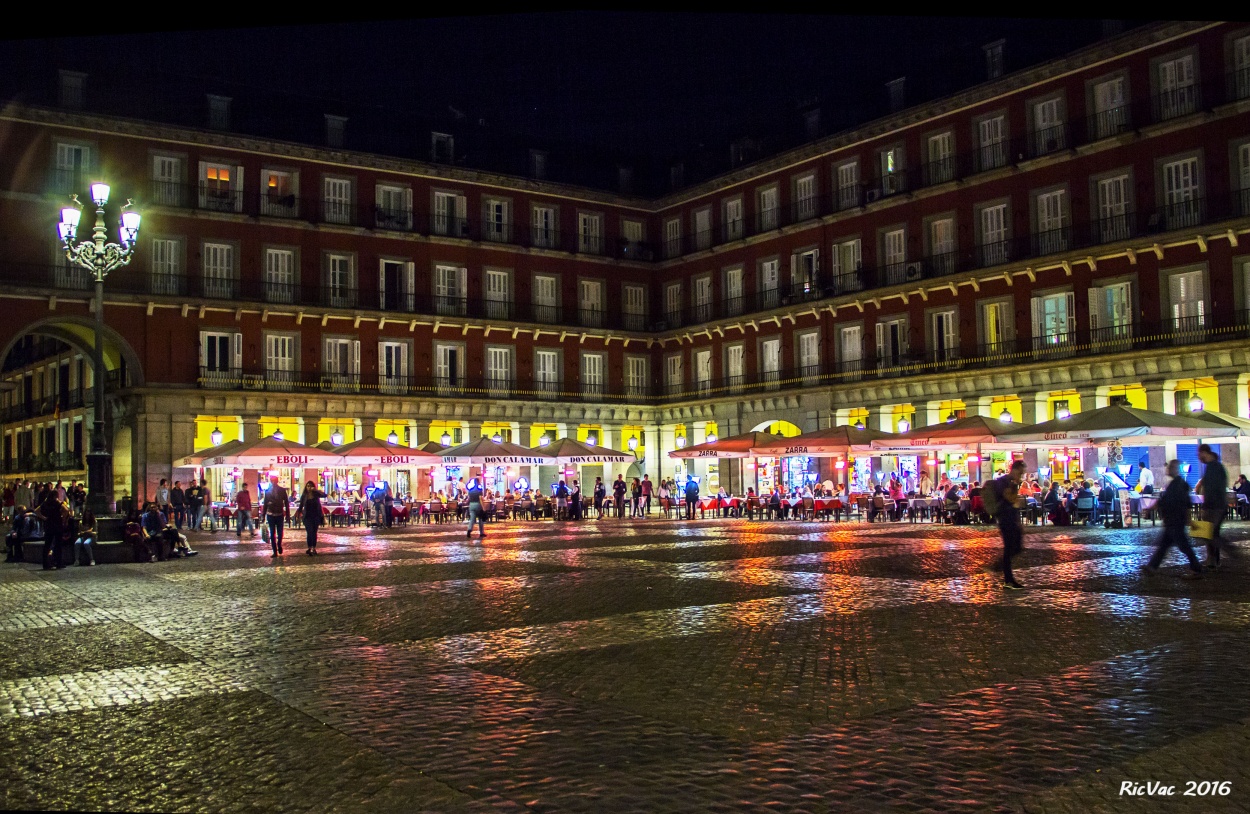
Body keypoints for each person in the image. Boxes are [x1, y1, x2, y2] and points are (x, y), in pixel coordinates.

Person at [1142, 459, 1203, 579]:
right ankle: (1152, 567)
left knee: (1184, 546)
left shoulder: (1179, 485)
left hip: (1176, 520)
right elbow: (1164, 501)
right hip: (1172, 520)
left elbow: (1185, 503)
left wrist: (1189, 520)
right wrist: (1151, 508)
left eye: (1170, 467)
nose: (1167, 470)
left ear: (1175, 469)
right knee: (1164, 545)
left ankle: (1197, 568)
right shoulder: (1175, 484)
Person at [1196, 443, 1236, 569]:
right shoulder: (1214, 467)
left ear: (1204, 452)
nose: (1198, 457)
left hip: (1214, 506)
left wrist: (1205, 507)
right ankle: (1213, 560)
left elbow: (1213, 489)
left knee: (1210, 533)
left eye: (1199, 454)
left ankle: (1229, 550)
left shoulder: (1213, 468)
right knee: (1212, 533)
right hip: (1217, 505)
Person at [991, 460, 1027, 590]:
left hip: (1011, 518)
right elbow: (1009, 498)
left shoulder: (1010, 482)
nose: (1021, 475)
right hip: (1005, 518)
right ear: (1016, 469)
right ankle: (1007, 578)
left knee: (1016, 547)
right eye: (1021, 472)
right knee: (1010, 547)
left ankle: (1001, 569)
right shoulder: (1005, 481)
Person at [35, 490, 68, 570]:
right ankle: (58, 562)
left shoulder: (45, 503)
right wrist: (63, 519)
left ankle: (45, 564)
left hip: (48, 524)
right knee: (58, 544)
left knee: (47, 544)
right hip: (57, 523)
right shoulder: (58, 502)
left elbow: (36, 511)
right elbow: (66, 510)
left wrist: (44, 518)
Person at [262, 477, 290, 556]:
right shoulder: (267, 491)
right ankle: (274, 551)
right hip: (271, 514)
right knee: (272, 533)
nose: (273, 482)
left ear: (277, 481)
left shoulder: (282, 490)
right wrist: (263, 515)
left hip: (279, 514)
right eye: (272, 481)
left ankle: (279, 544)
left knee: (280, 532)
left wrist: (287, 515)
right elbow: (265, 504)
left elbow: (286, 503)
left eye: (274, 481)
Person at [300, 481, 325, 555]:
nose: (309, 487)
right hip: (307, 517)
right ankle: (309, 547)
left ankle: (313, 547)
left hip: (316, 516)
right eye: (307, 486)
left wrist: (316, 490)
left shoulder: (316, 494)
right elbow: (301, 505)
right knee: (309, 532)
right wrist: (299, 513)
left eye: (310, 486)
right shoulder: (304, 495)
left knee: (314, 532)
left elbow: (324, 495)